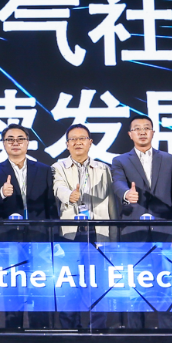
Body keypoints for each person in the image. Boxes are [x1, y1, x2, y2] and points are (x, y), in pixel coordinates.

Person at [111, 114, 172, 329]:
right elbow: (117, 183)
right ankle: (135, 335)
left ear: (153, 132)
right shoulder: (120, 161)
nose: (142, 132)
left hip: (164, 232)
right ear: (130, 134)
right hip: (134, 233)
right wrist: (126, 194)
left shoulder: (169, 159)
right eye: (137, 128)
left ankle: (169, 336)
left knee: (165, 285)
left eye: (146, 128)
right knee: (136, 285)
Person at [0, 123, 57, 330]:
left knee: (39, 283)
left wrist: (53, 236)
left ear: (28, 143)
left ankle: (40, 331)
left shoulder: (43, 170)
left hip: (38, 236)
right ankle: (12, 332)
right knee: (11, 284)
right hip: (8, 237)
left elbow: (51, 204)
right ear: (3, 143)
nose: (15, 143)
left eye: (20, 139)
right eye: (10, 139)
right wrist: (2, 193)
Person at [53, 124, 116, 331]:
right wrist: (69, 195)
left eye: (82, 138)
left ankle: (96, 334)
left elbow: (111, 203)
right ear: (67, 144)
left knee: (97, 287)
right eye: (73, 139)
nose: (78, 142)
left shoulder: (103, 169)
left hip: (97, 234)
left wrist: (112, 237)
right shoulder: (58, 167)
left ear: (90, 142)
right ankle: (70, 335)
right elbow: (58, 187)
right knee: (68, 288)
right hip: (70, 235)